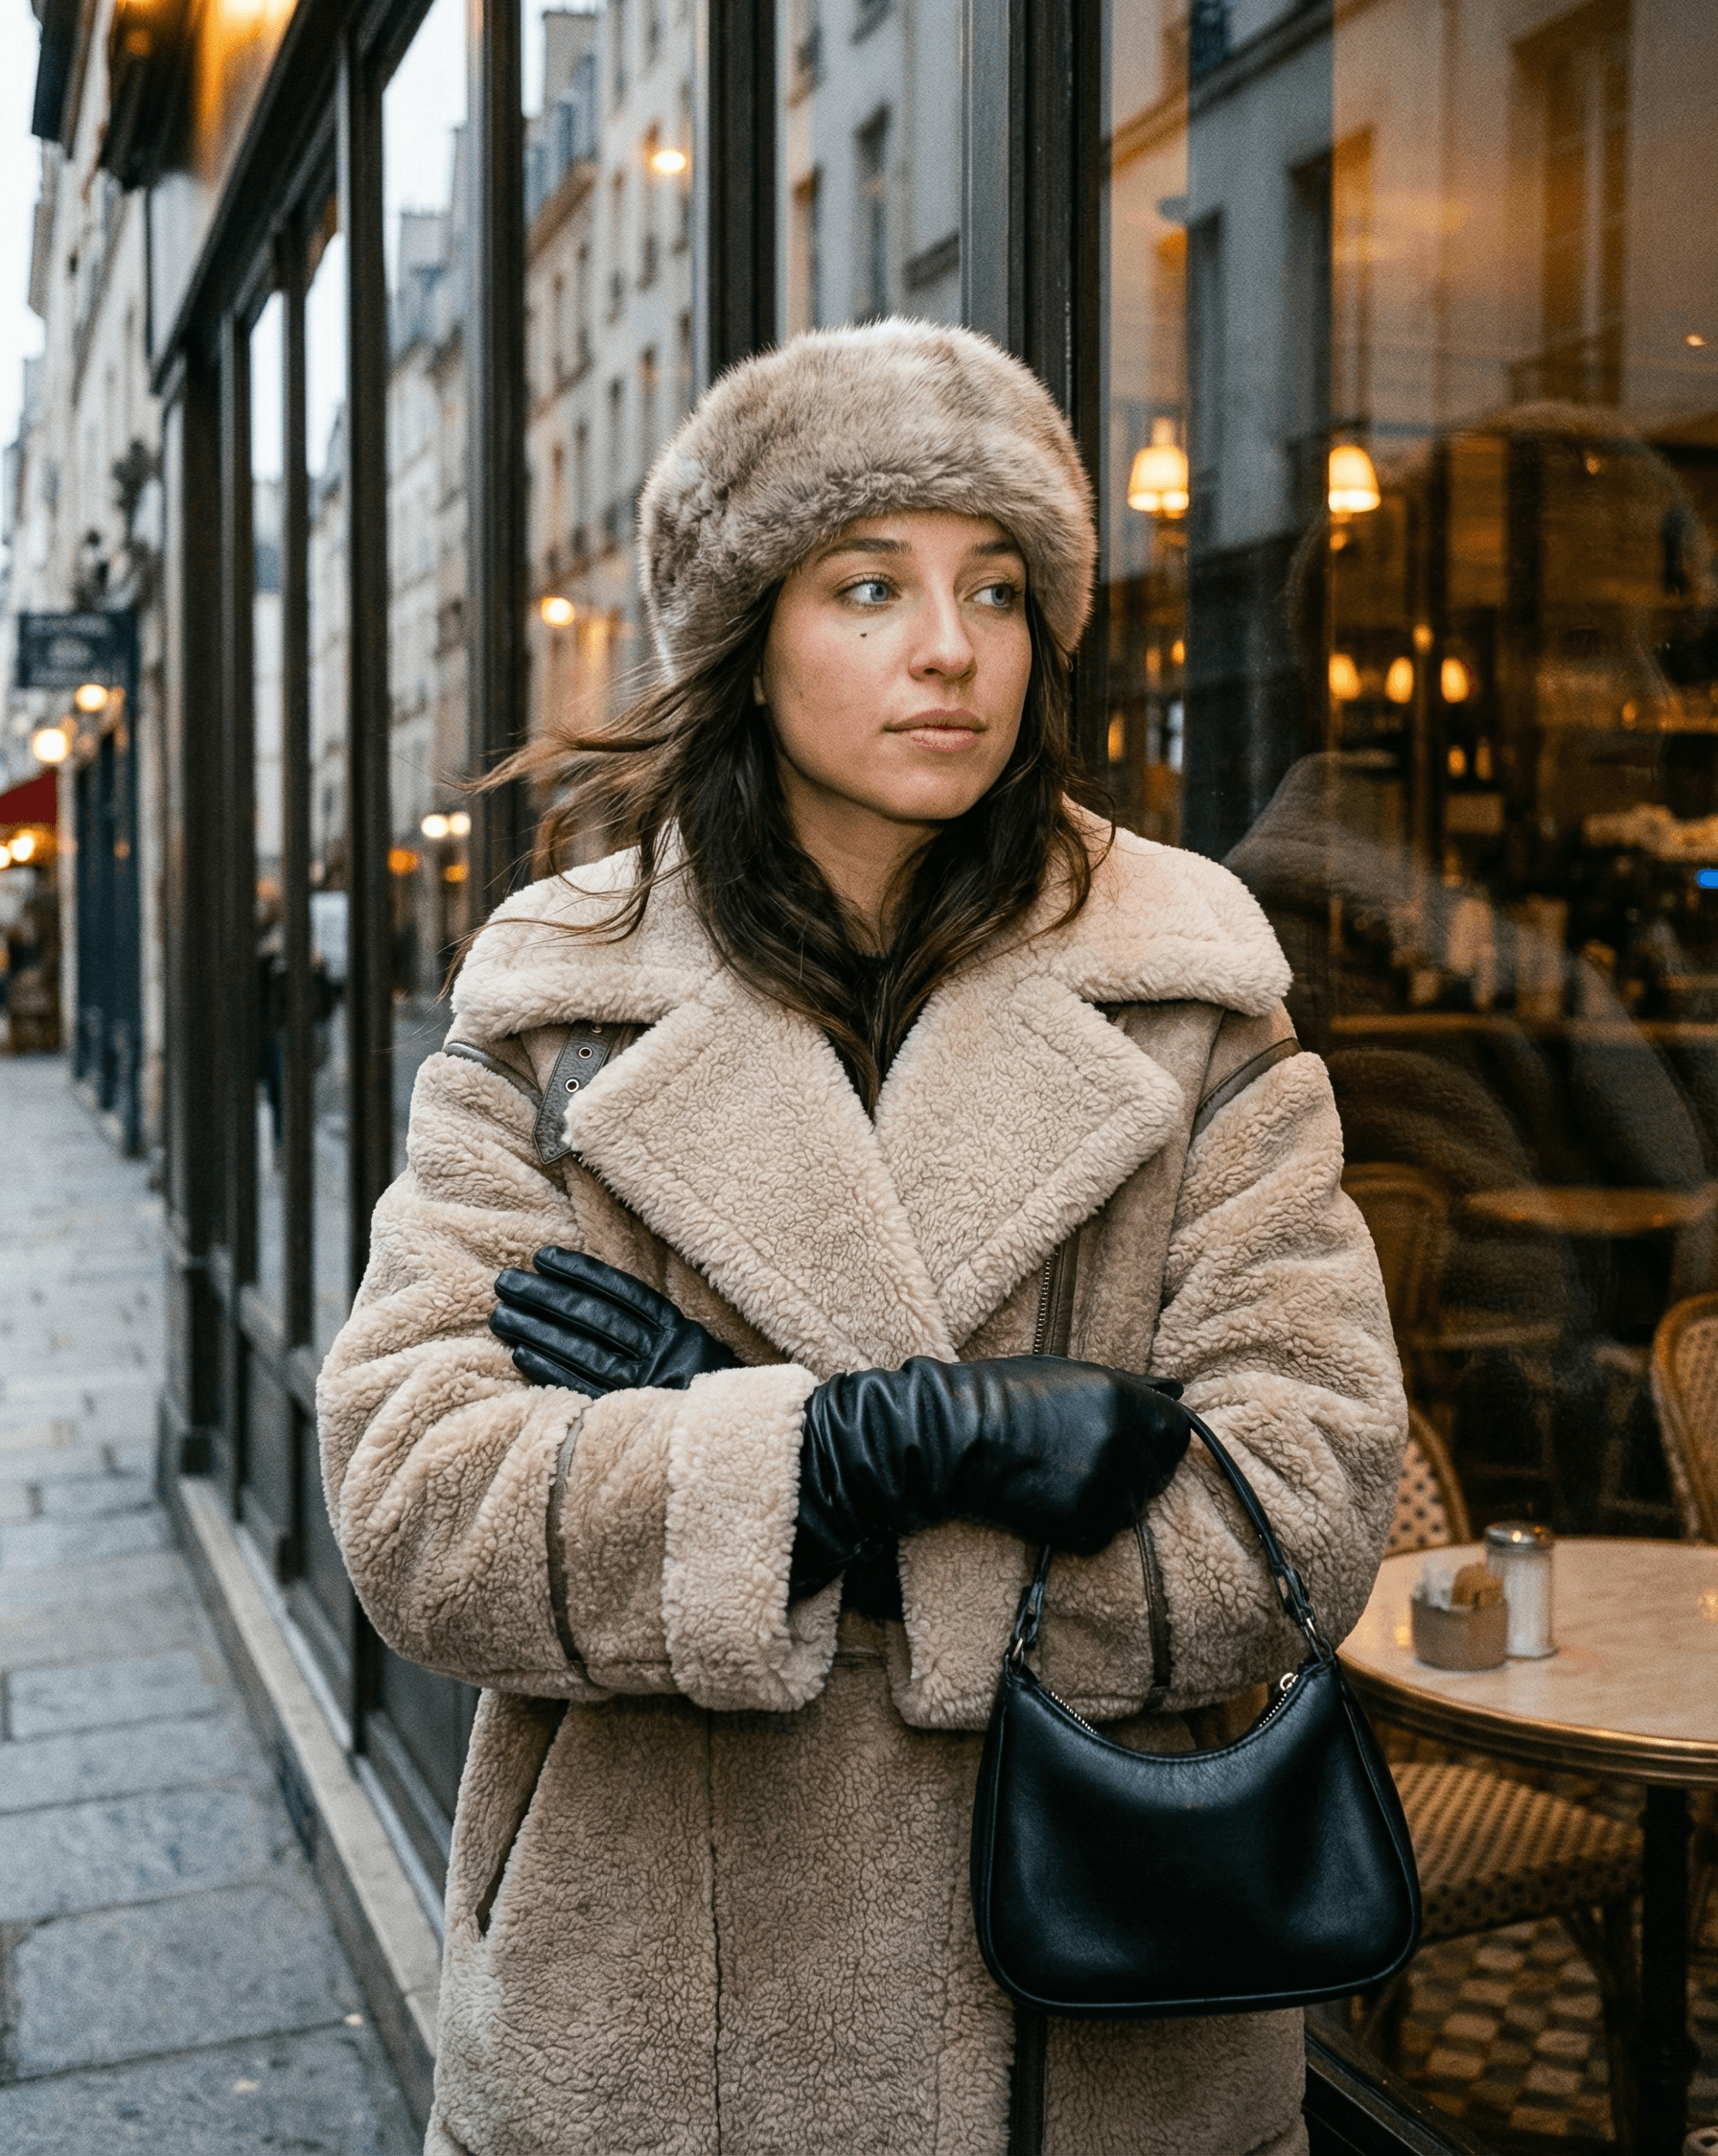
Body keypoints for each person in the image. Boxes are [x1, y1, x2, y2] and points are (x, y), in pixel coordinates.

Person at [316, 319, 1405, 2156]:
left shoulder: (1191, 991)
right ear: (750, 638)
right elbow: (420, 1504)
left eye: (995, 589)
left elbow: (1309, 1490)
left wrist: (749, 1468)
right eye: (869, 583)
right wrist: (866, 1445)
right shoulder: (564, 1006)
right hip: (664, 2030)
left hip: (1102, 2034)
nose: (948, 650)